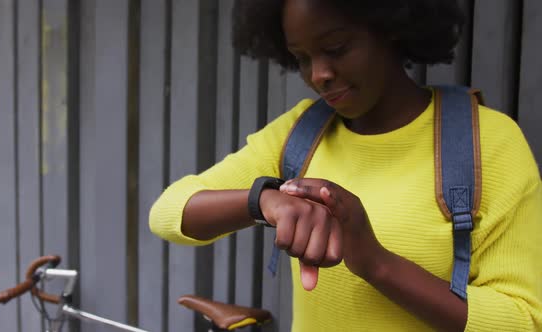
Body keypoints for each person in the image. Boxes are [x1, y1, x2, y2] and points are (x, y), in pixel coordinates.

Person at [149, 0, 542, 330]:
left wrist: (377, 264)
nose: (319, 75)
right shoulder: (303, 133)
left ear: (391, 26)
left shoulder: (486, 143)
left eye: (336, 49)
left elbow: (524, 319)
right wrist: (266, 201)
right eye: (302, 58)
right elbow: (167, 211)